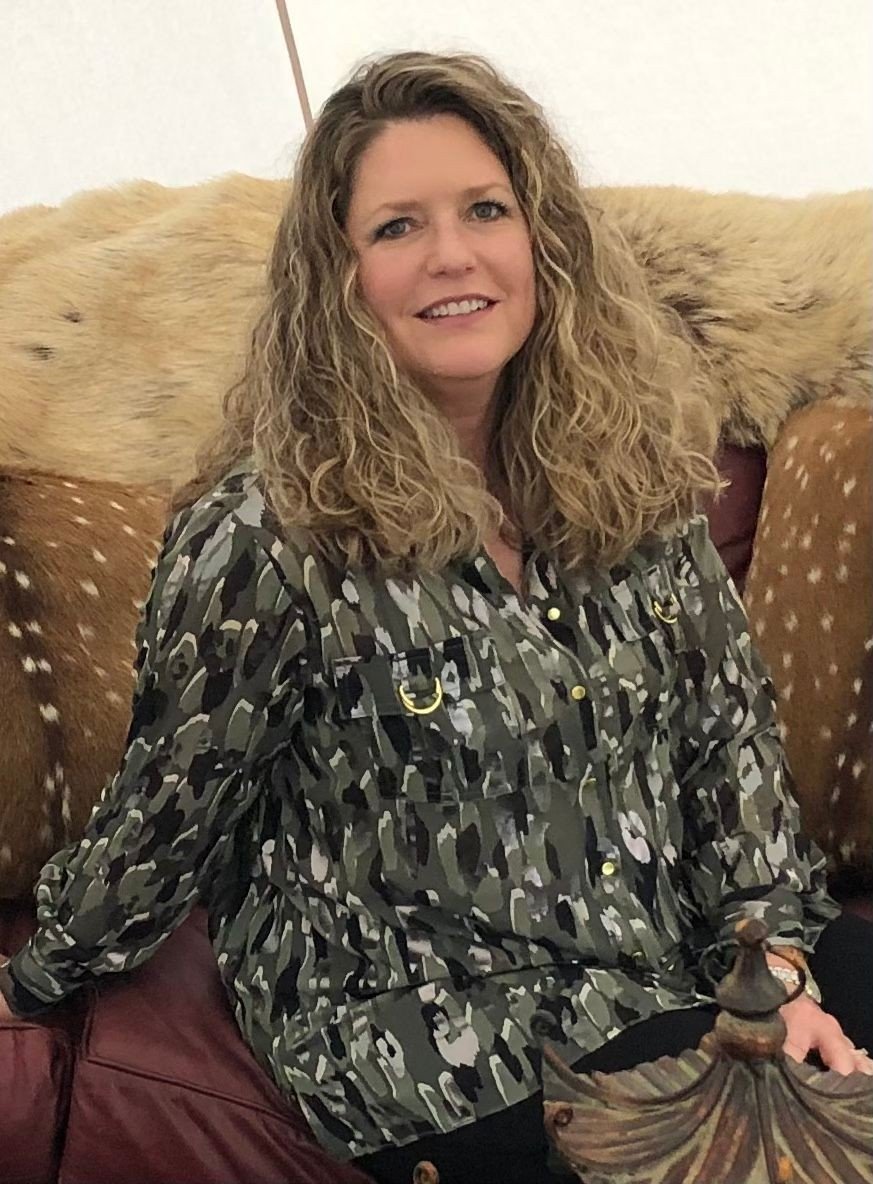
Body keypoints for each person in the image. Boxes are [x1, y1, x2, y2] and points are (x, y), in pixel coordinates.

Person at [2, 50, 871, 1184]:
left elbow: (732, 757)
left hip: (675, 962)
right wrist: (39, 974)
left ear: (544, 239)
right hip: (442, 1032)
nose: (452, 253)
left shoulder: (644, 482)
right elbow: (170, 811)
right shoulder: (263, 532)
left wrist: (782, 975)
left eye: (485, 210)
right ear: (338, 277)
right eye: (397, 226)